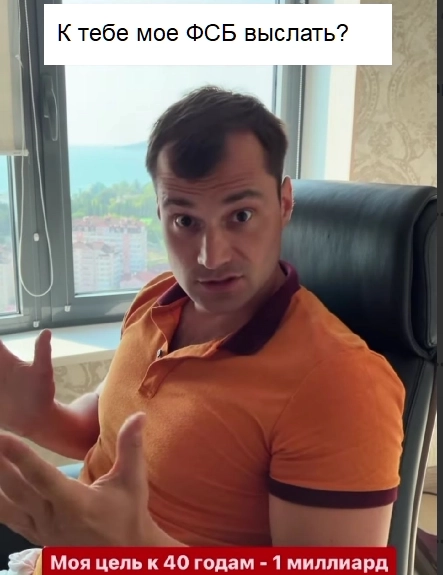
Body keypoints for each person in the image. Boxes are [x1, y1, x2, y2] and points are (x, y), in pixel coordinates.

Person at [0, 86, 405, 574]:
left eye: (241, 215)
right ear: (159, 213)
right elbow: (105, 438)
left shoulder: (340, 382)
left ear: (284, 203)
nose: (212, 257)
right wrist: (36, 417)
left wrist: (134, 551)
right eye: (185, 221)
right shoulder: (158, 300)